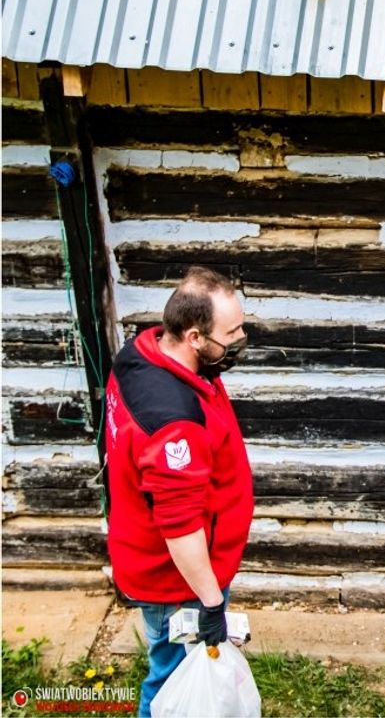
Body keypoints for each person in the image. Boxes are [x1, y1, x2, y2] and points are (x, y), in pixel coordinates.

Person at [104, 266, 254, 717]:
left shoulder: (143, 351)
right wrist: (210, 602)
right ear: (192, 336)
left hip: (161, 562)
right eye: (232, 332)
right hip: (176, 582)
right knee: (171, 677)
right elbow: (180, 525)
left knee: (171, 665)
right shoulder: (173, 425)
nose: (240, 339)